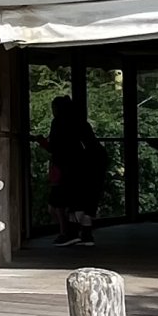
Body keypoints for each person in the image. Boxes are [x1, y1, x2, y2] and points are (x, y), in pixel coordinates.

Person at [45, 98, 109, 246]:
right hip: (96, 161)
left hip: (77, 164)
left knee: (74, 199)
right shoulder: (81, 122)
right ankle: (85, 234)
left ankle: (71, 234)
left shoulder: (59, 123)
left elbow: (56, 147)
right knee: (88, 200)